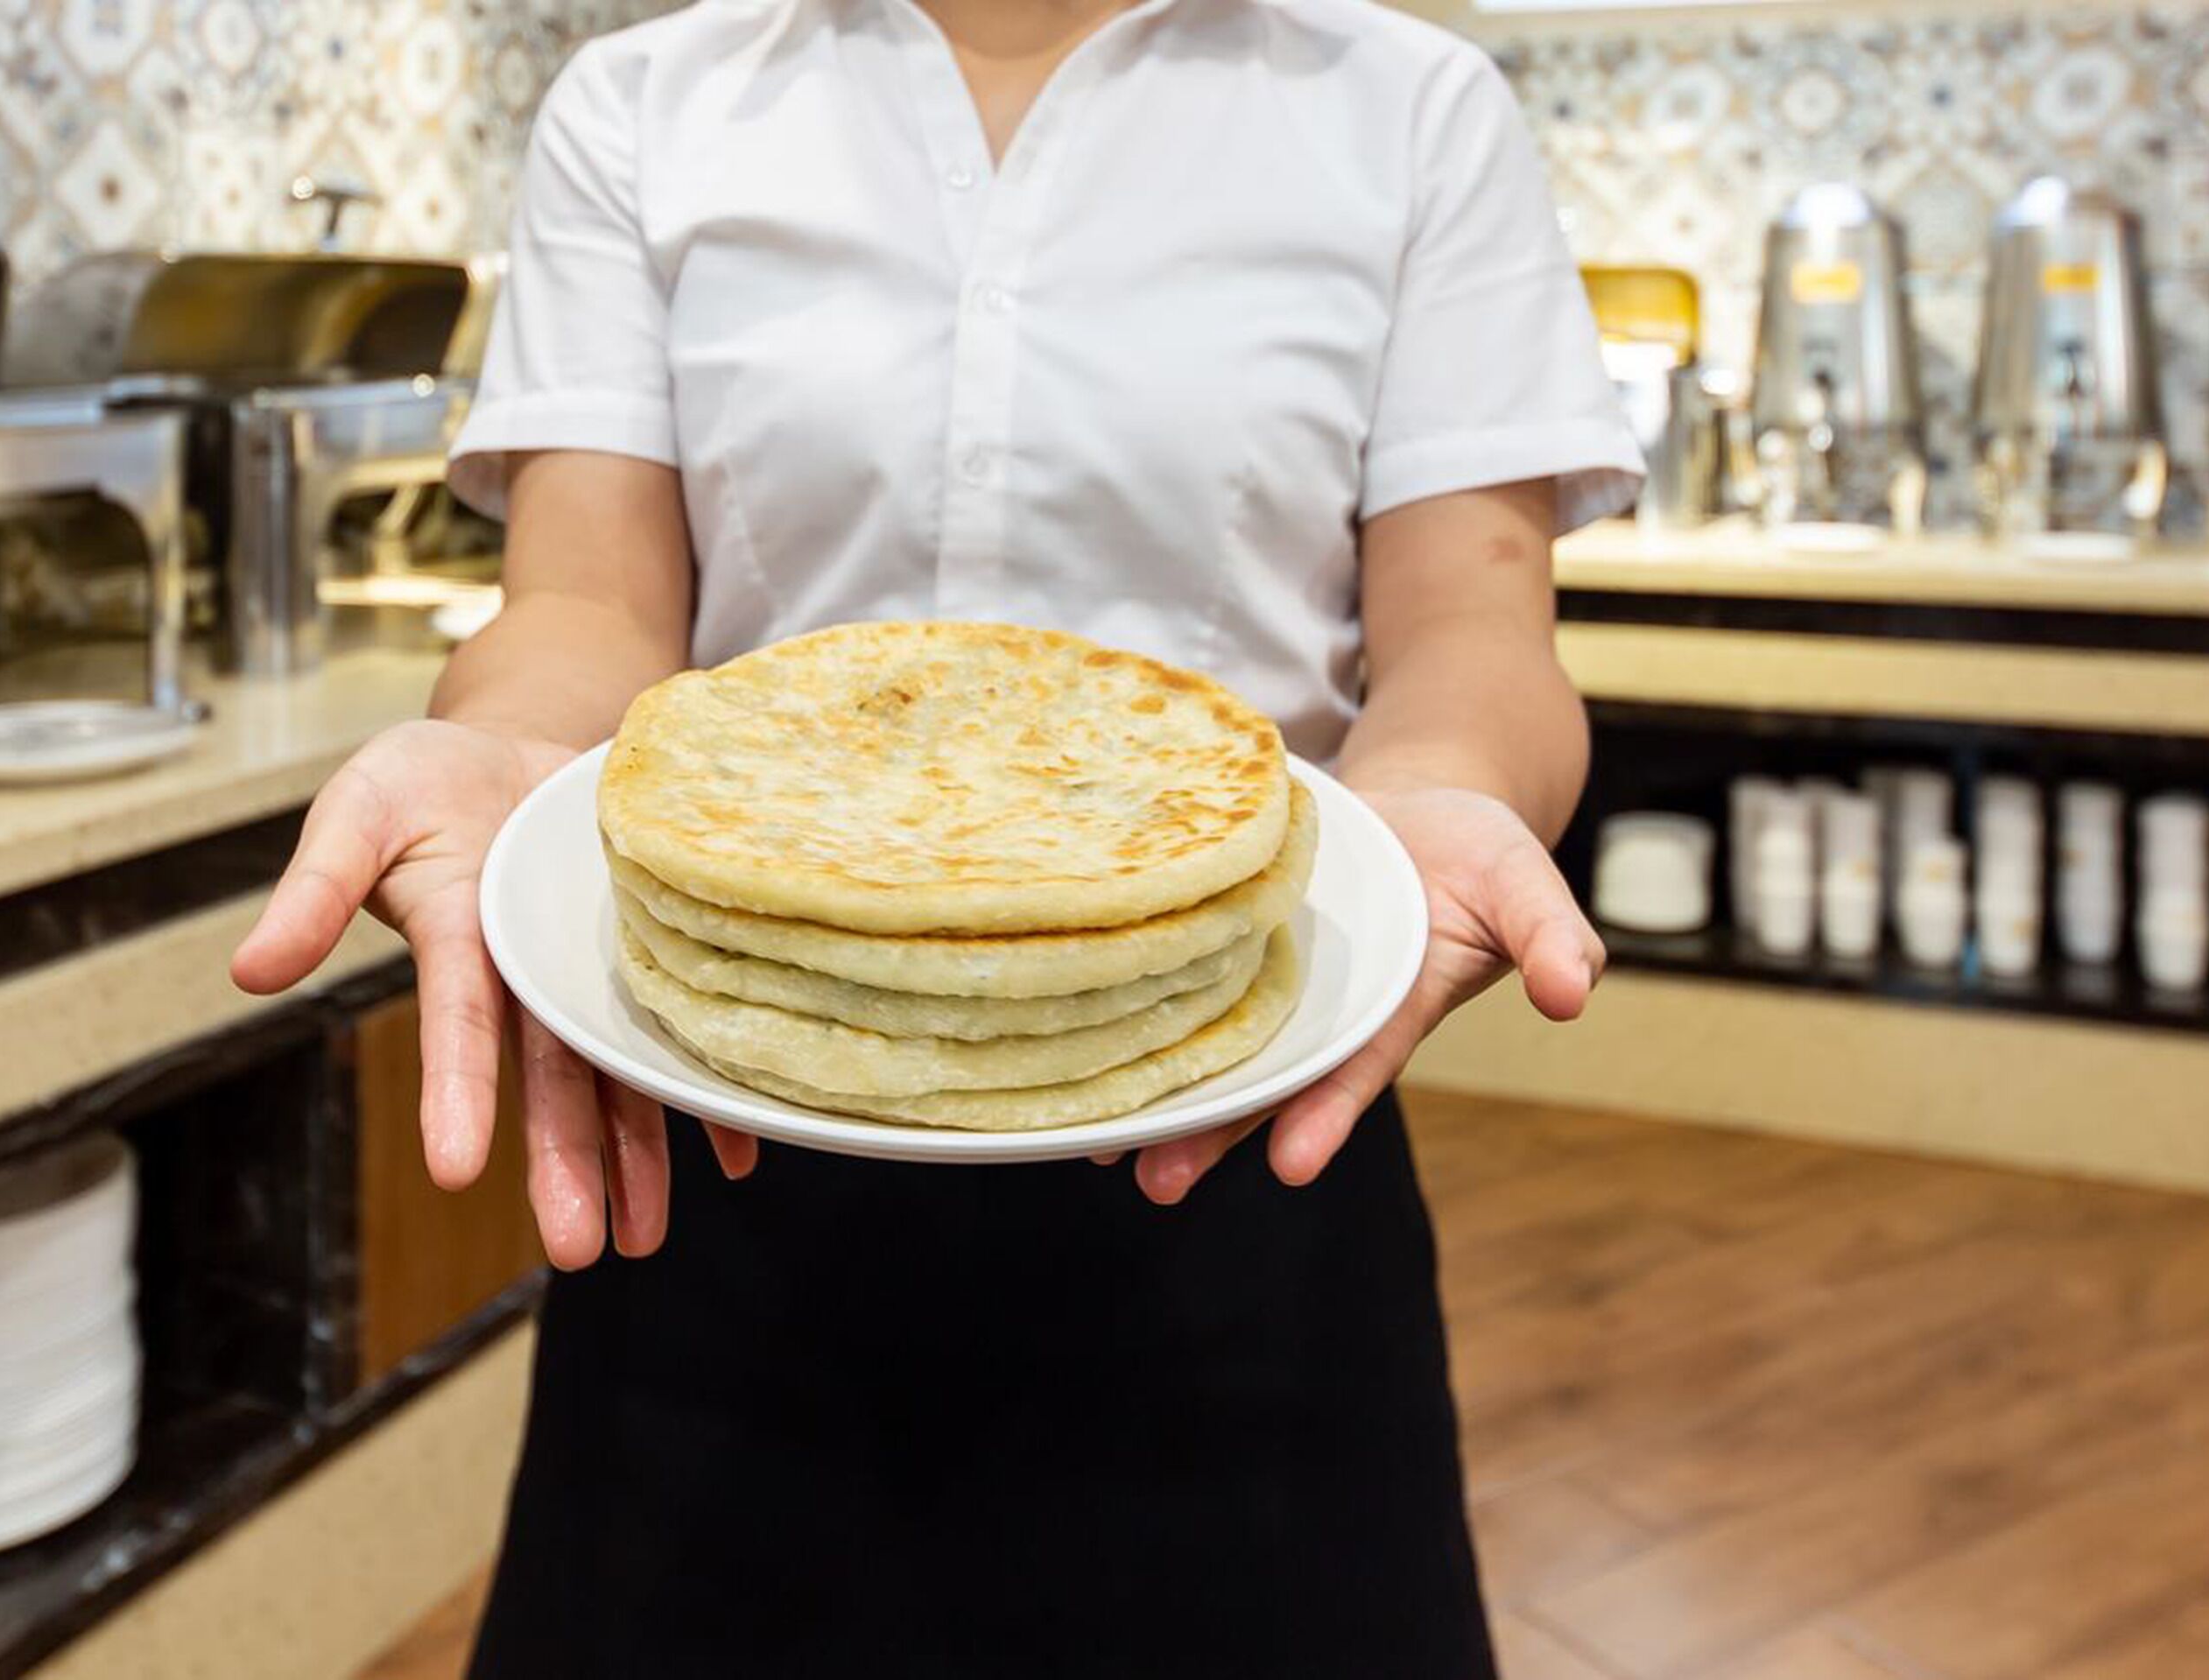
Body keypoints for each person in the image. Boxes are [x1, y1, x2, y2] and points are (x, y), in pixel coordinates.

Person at [234, 0, 1638, 1669]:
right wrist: (508, 754)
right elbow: (587, 608)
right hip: (727, 1130)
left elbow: (1474, 635)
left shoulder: (1409, 109)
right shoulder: (646, 104)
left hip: (1242, 1127)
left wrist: (1434, 801)